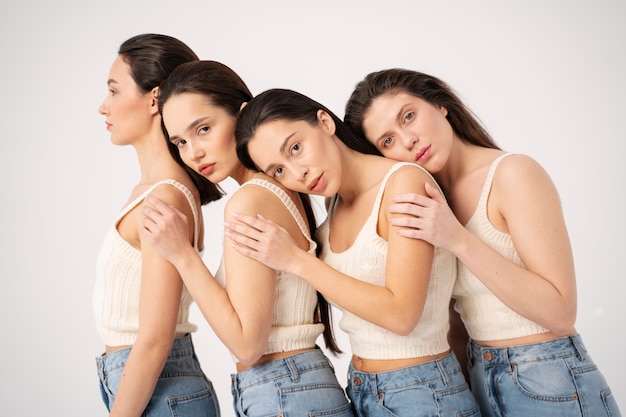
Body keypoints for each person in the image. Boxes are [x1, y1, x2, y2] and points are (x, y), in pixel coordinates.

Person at [342, 68, 622, 417]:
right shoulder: (425, 200)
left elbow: (561, 312)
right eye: (387, 141)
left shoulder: (512, 174)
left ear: (440, 104)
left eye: (409, 116)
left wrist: (457, 238)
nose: (408, 140)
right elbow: (453, 321)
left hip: (549, 377)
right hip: (478, 378)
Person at [225, 88, 481, 417]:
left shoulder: (403, 183)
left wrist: (296, 261)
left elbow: (401, 315)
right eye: (278, 170)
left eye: (296, 148)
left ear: (324, 122)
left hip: (423, 395)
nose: (297, 173)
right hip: (362, 391)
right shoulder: (334, 207)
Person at [139, 60, 354, 417]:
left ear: (241, 115)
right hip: (293, 387)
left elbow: (247, 345)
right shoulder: (276, 189)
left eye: (204, 129)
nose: (193, 153)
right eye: (180, 141)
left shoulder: (251, 199)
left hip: (285, 391)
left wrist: (183, 255)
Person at [93, 34, 222, 417]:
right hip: (151, 388)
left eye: (114, 91)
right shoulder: (157, 190)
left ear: (153, 98)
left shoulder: (164, 196)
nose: (104, 107)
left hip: (159, 389)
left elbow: (154, 338)